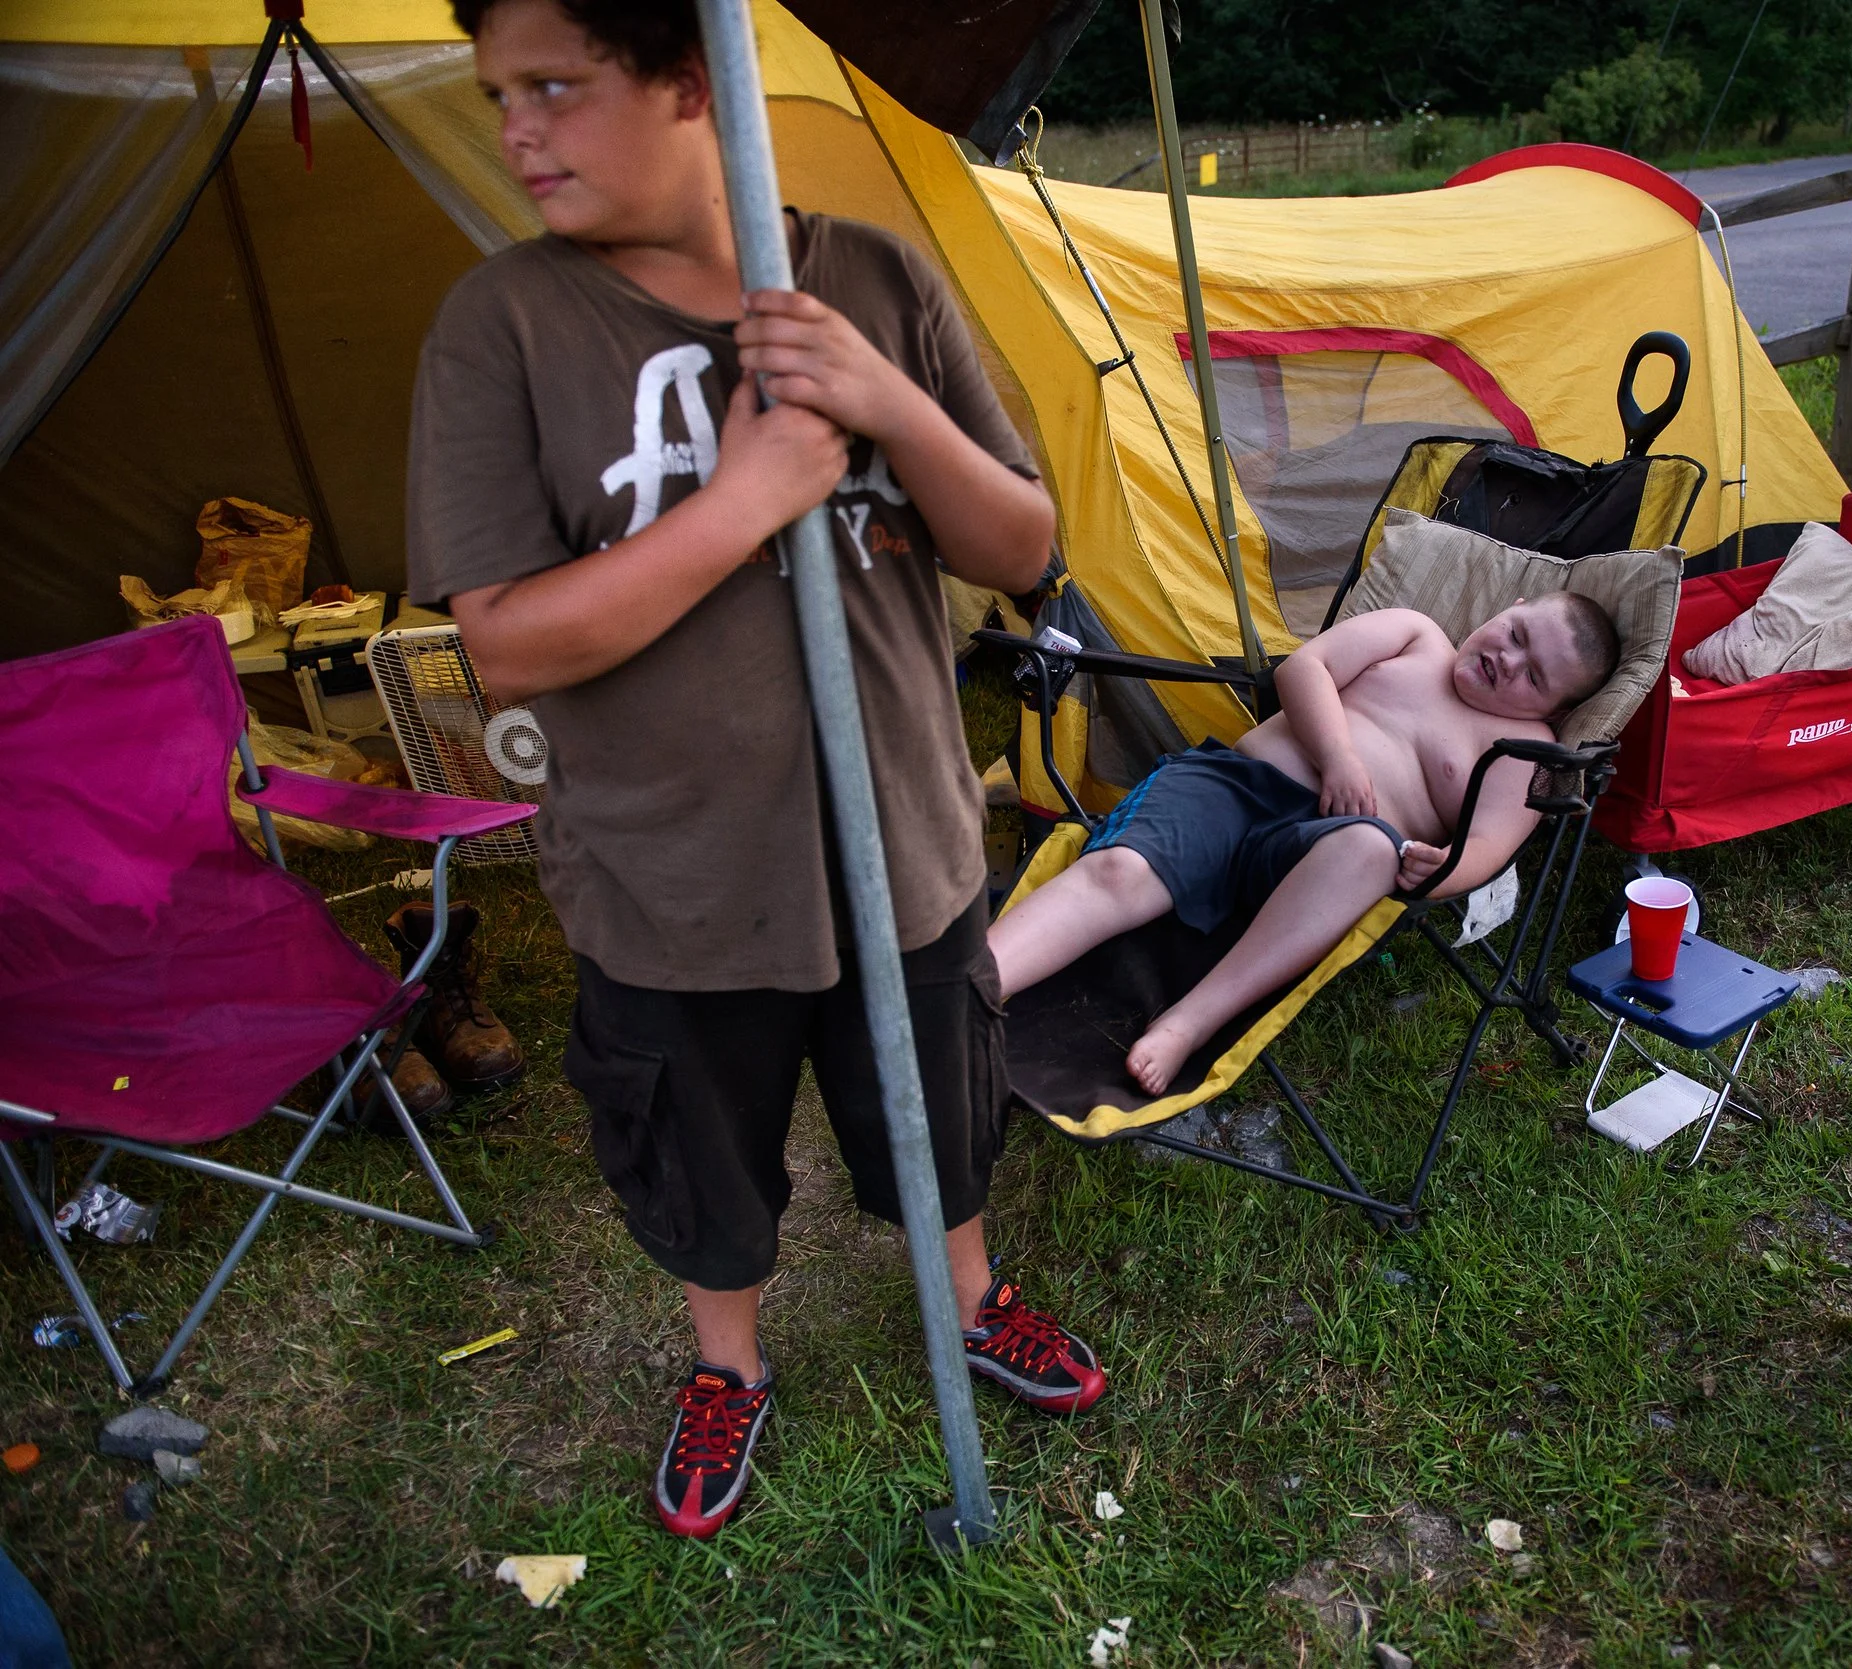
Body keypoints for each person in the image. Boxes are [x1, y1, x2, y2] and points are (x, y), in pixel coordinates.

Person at [407, 0, 1105, 1542]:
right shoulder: (505, 325)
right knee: (699, 1145)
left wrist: (884, 400)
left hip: (905, 841)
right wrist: (745, 499)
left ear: (683, 79)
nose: (515, 128)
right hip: (673, 875)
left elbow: (1020, 546)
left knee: (934, 1100)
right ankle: (726, 1360)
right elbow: (507, 644)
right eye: (500, 96)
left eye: (554, 89)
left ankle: (974, 1297)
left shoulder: (868, 275)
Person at [991, 593, 1619, 1093]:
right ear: (1501, 611)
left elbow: (1489, 846)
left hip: (1321, 853)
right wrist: (1337, 755)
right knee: (1120, 875)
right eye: (1515, 634)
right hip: (1235, 787)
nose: (1507, 660)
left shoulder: (1524, 751)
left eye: (1533, 676)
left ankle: (1192, 1019)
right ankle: (974, 982)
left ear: (1555, 710)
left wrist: (1446, 871)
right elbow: (1304, 667)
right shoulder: (1416, 634)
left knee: (1373, 851)